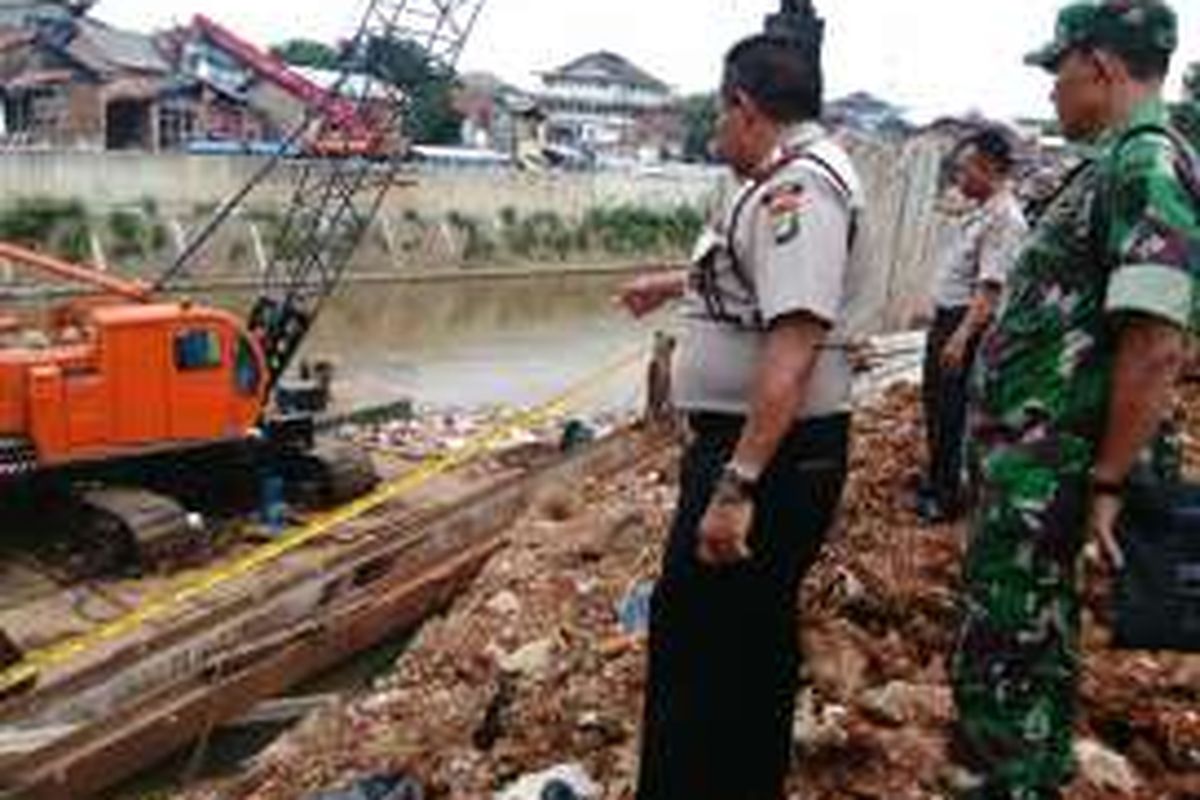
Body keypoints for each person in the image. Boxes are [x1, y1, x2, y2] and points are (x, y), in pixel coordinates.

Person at [617, 9, 869, 799]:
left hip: (768, 455)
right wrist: (671, 281)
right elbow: (750, 281)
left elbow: (790, 348)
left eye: (719, 111)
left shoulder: (799, 193)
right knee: (739, 640)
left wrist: (737, 487)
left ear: (745, 107)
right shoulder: (776, 183)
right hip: (763, 448)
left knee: (701, 643)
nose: (717, 128)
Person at [952, 1, 1199, 797]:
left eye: (1057, 69)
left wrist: (1108, 483)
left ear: (1099, 64)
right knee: (1027, 637)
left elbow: (1157, 341)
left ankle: (1017, 780)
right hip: (1037, 467)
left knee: (1014, 640)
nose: (1052, 89)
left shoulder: (1145, 165)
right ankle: (1026, 774)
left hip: (1054, 472)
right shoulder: (1113, 163)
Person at [918, 128, 1027, 524]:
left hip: (966, 324)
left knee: (950, 411)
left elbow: (989, 289)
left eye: (965, 169)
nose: (959, 177)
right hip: (950, 319)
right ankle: (936, 480)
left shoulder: (1004, 219)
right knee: (936, 405)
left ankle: (946, 497)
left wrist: (960, 338)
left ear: (988, 169)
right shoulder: (983, 211)